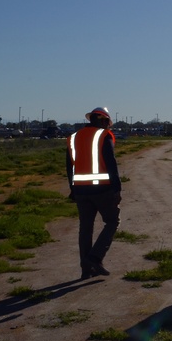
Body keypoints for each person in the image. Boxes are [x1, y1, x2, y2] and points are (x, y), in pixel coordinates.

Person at [67, 107, 122, 280]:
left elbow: (70, 167)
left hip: (81, 191)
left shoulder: (73, 138)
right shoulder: (104, 136)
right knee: (112, 221)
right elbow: (110, 162)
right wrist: (117, 188)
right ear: (103, 120)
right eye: (107, 122)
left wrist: (72, 189)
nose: (108, 126)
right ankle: (95, 258)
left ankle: (86, 269)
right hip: (102, 189)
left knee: (85, 229)